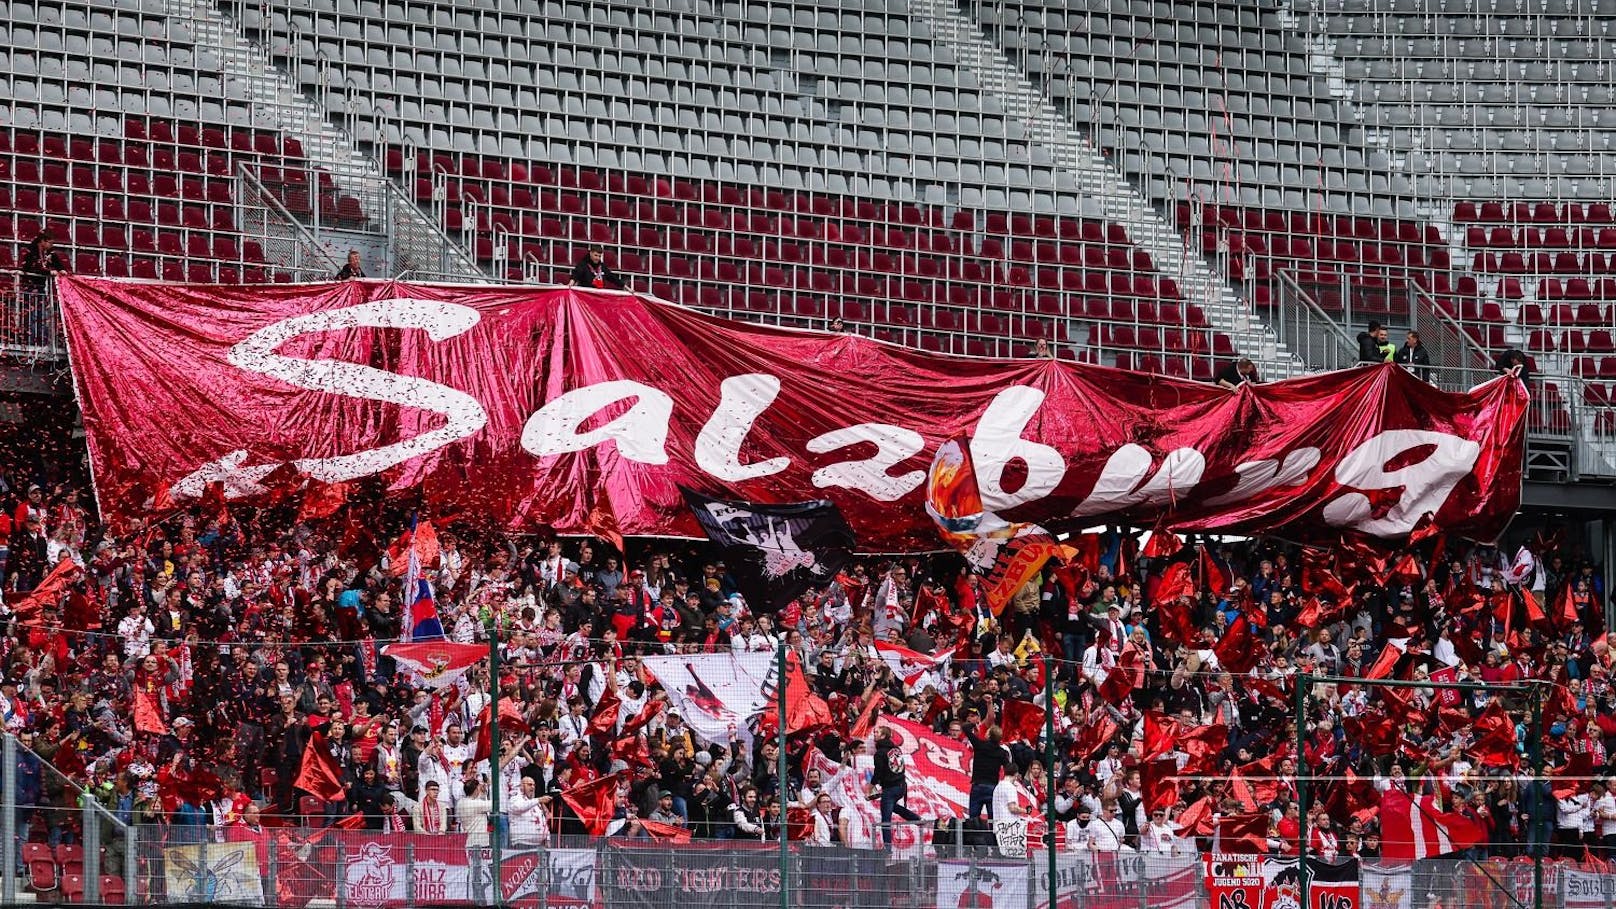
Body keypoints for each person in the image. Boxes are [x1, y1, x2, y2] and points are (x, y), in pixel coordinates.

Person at [870, 725, 921, 844]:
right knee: (891, 806)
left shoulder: (880, 753)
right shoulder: (897, 750)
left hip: (890, 789)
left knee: (885, 821)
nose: (874, 734)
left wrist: (871, 785)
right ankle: (916, 819)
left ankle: (887, 850)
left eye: (877, 732)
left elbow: (878, 772)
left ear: (883, 736)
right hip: (901, 787)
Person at [18, 232, 67, 345]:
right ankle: (30, 342)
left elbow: (57, 262)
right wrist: (48, 271)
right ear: (43, 241)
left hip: (40, 288)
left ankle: (41, 342)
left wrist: (61, 269)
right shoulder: (31, 252)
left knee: (41, 315)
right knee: (31, 316)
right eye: (50, 242)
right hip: (29, 288)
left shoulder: (48, 253)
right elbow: (31, 267)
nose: (51, 245)